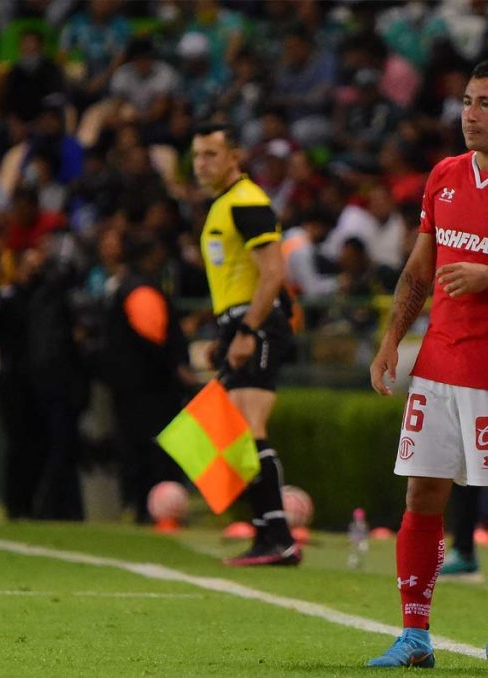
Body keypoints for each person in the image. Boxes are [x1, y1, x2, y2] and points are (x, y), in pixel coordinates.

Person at [367, 59, 488, 671]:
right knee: (422, 495)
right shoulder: (444, 175)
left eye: (486, 104)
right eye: (467, 102)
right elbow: (421, 270)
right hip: (438, 365)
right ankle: (414, 634)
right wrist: (394, 338)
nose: (470, 115)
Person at [190, 122, 300, 566]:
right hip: (237, 323)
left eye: (211, 155)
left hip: (259, 324)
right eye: (197, 155)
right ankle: (265, 534)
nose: (202, 164)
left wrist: (247, 331)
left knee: (249, 425)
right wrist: (224, 332)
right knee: (233, 430)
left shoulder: (247, 202)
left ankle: (278, 537)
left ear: (234, 158)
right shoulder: (223, 206)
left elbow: (273, 274)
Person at [101, 233, 193, 523]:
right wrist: (175, 366)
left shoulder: (127, 287)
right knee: (153, 452)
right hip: (149, 389)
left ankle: (143, 506)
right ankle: (152, 509)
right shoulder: (142, 291)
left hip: (130, 387)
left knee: (136, 448)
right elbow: (154, 337)